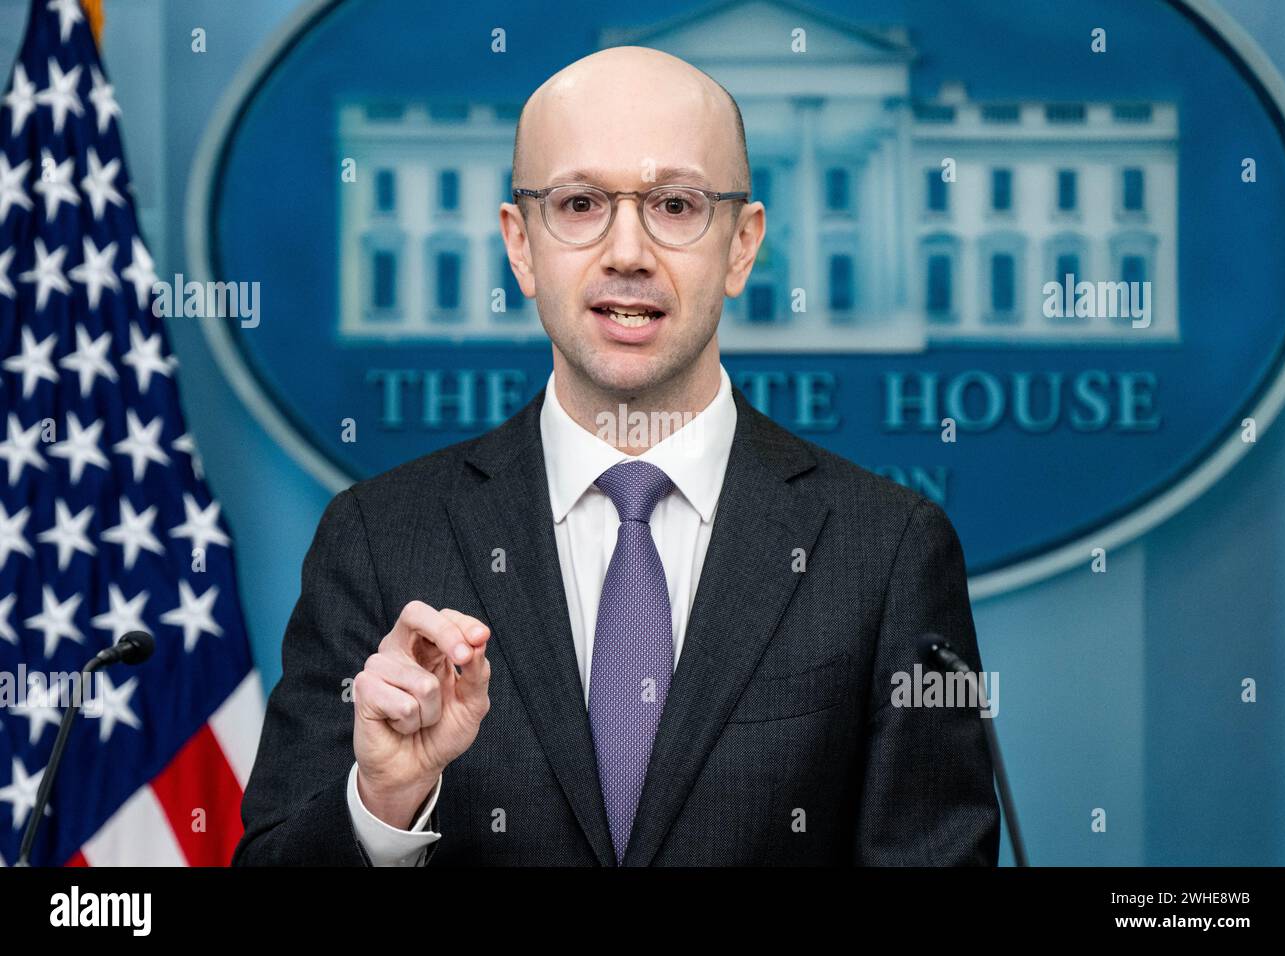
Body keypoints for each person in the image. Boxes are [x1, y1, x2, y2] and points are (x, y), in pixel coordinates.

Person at [233, 45, 1000, 866]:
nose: (627, 252)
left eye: (675, 204)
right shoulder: (378, 540)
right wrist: (382, 805)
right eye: (580, 203)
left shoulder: (885, 552)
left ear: (743, 246)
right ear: (520, 245)